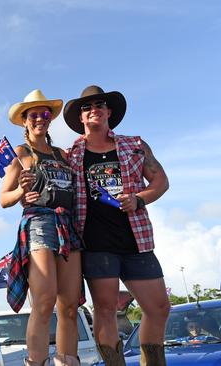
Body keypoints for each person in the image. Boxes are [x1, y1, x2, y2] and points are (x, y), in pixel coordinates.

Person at [63, 85, 171, 366]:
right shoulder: (70, 154)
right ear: (81, 118)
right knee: (106, 308)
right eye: (86, 107)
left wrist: (138, 198)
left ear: (109, 111)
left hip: (137, 240)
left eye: (99, 104)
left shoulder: (135, 145)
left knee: (159, 307)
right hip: (95, 243)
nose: (93, 109)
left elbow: (160, 181)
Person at [2, 89, 84, 366]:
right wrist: (20, 194)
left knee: (70, 305)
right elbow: (4, 198)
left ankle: (67, 361)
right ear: (24, 121)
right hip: (39, 222)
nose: (39, 118)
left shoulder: (62, 154)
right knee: (45, 300)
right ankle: (37, 362)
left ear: (50, 119)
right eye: (33, 114)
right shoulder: (21, 154)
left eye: (44, 114)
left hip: (67, 225)